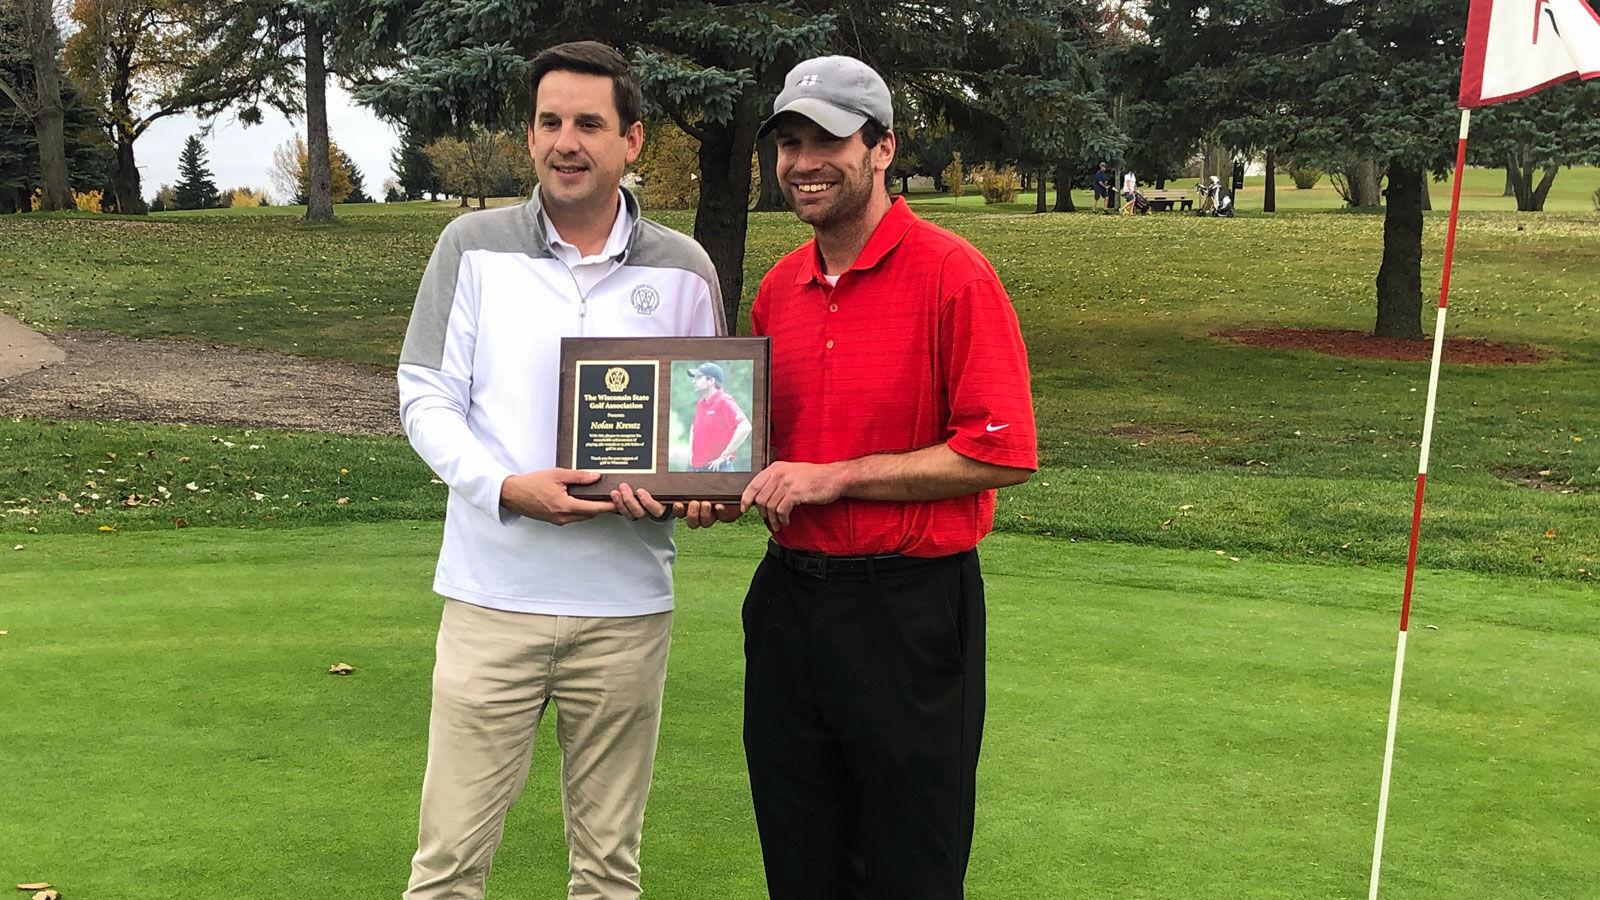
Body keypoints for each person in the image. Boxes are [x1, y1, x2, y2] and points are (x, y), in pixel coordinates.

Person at [395, 40, 723, 900]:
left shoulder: (685, 268)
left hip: (625, 610)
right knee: (447, 869)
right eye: (549, 122)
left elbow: (706, 430)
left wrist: (701, 493)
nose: (565, 141)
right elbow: (424, 397)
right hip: (490, 600)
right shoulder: (469, 245)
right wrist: (506, 487)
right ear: (530, 135)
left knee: (609, 872)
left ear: (633, 141)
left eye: (589, 122)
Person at [738, 55, 1038, 900]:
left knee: (911, 868)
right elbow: (769, 460)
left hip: (908, 613)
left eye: (827, 139)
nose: (803, 162)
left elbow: (999, 451)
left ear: (881, 149)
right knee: (800, 863)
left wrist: (836, 479)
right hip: (789, 607)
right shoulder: (778, 291)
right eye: (789, 142)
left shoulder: (953, 274)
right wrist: (716, 486)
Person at [685, 362, 752, 472]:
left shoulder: (724, 401)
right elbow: (694, 428)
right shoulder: (700, 404)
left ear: (711, 381)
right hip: (697, 469)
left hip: (717, 468)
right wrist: (691, 455)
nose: (694, 381)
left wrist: (724, 456)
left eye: (698, 378)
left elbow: (745, 427)